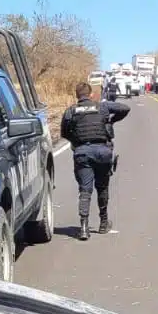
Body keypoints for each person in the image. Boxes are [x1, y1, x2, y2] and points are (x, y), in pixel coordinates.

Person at [60, 82, 130, 240]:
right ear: (91, 94)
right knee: (102, 187)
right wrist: (111, 120)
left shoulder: (71, 111)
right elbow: (125, 108)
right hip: (102, 152)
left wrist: (77, 142)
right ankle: (103, 223)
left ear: (77, 95)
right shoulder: (102, 107)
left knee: (85, 190)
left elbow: (64, 133)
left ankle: (84, 228)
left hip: (82, 153)